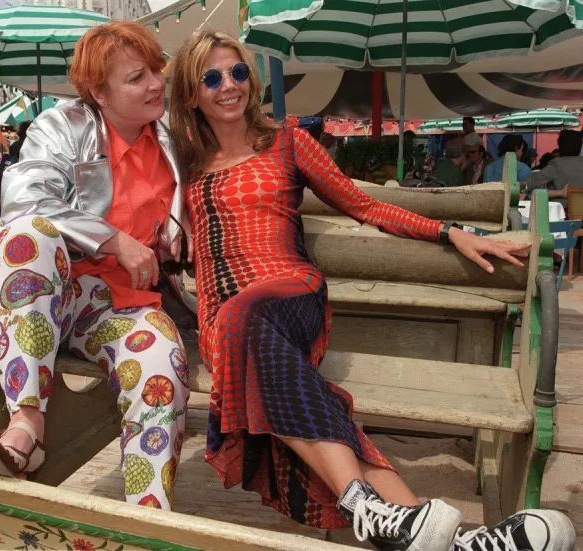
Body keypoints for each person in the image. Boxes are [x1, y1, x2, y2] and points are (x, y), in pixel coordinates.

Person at [168, 30, 575, 551]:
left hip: (291, 294)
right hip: (229, 323)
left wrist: (453, 232)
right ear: (192, 92)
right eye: (212, 77)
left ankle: (366, 505)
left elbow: (367, 207)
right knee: (274, 373)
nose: (230, 86)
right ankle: (424, 530)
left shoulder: (287, 143)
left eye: (238, 72)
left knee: (242, 325)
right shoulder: (185, 163)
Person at [0, 21, 191, 511]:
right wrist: (114, 240)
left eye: (156, 70)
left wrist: (177, 235)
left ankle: (146, 520)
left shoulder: (170, 138)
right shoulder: (63, 125)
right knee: (28, 235)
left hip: (121, 306)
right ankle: (27, 422)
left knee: (162, 366)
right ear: (98, 94)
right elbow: (23, 201)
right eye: (136, 77)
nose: (154, 83)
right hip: (43, 296)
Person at [522, 130, 583, 208]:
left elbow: (528, 184)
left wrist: (517, 187)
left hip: (563, 214)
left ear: (560, 146)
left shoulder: (557, 165)